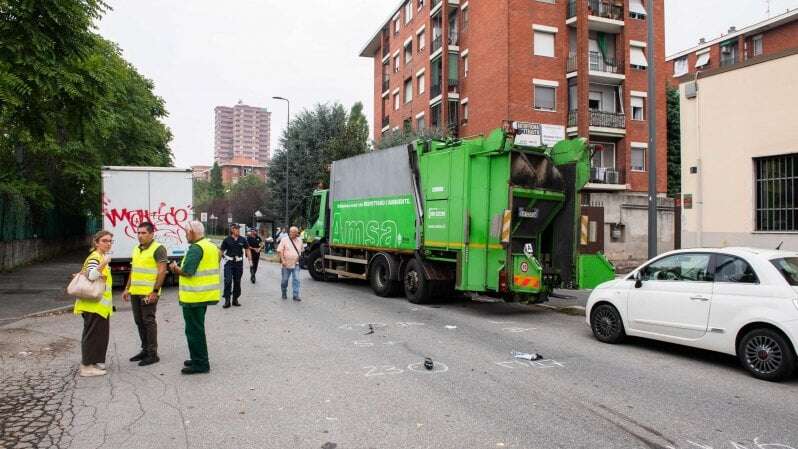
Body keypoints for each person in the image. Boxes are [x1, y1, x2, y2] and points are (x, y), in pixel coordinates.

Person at [169, 220, 220, 375]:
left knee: (194, 331)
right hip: (204, 295)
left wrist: (175, 268)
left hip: (194, 297)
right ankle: (198, 358)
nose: (185, 235)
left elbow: (188, 272)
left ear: (191, 232)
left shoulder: (196, 248)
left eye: (186, 232)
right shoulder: (210, 246)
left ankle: (201, 364)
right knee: (197, 329)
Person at [122, 222, 168, 366]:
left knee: (148, 321)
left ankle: (152, 354)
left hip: (149, 293)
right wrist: (127, 288)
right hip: (136, 292)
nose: (140, 236)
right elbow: (134, 270)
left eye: (143, 233)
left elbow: (162, 271)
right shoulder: (136, 248)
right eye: (139, 233)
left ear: (152, 234)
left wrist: (155, 291)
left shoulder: (158, 249)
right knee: (139, 321)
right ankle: (145, 350)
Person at [74, 230, 114, 377]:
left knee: (99, 335)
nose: (108, 243)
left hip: (99, 306)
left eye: (110, 241)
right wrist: (104, 263)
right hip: (93, 305)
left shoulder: (100, 256)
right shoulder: (95, 258)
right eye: (104, 241)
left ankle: (95, 362)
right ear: (96, 242)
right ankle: (86, 366)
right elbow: (91, 276)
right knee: (92, 336)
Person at [220, 224, 250, 308]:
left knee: (237, 281)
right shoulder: (227, 240)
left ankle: (235, 299)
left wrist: (250, 261)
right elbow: (221, 251)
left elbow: (247, 249)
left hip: (238, 264)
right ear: (232, 230)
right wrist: (217, 263)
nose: (238, 230)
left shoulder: (242, 239)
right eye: (236, 229)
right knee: (228, 281)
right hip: (229, 263)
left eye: (238, 229)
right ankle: (227, 300)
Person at [277, 226, 303, 301]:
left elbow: (300, 252)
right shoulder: (284, 240)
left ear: (297, 233)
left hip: (296, 264)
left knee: (297, 279)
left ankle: (296, 295)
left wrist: (297, 258)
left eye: (294, 232)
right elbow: (280, 251)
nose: (292, 233)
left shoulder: (300, 240)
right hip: (286, 264)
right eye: (291, 232)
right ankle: (284, 292)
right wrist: (283, 260)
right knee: (285, 280)